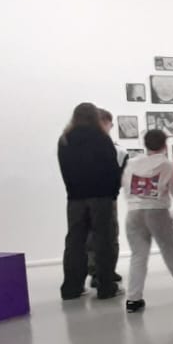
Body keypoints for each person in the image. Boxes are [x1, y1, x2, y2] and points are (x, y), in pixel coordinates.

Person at [121, 129, 173, 313]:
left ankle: (133, 299)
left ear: (145, 144)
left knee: (138, 256)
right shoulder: (167, 165)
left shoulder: (132, 163)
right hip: (157, 211)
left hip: (133, 213)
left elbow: (126, 187)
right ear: (164, 145)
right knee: (170, 251)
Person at [57, 103, 123, 301]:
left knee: (75, 242)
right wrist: (113, 193)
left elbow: (65, 170)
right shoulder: (101, 138)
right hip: (101, 197)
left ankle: (71, 287)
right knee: (104, 241)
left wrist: (72, 190)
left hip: (75, 198)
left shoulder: (65, 139)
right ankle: (106, 286)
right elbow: (112, 169)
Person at [89, 108, 127, 291]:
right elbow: (118, 174)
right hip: (105, 197)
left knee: (99, 234)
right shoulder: (111, 148)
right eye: (109, 124)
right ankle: (101, 273)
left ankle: (103, 271)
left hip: (93, 196)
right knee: (107, 234)